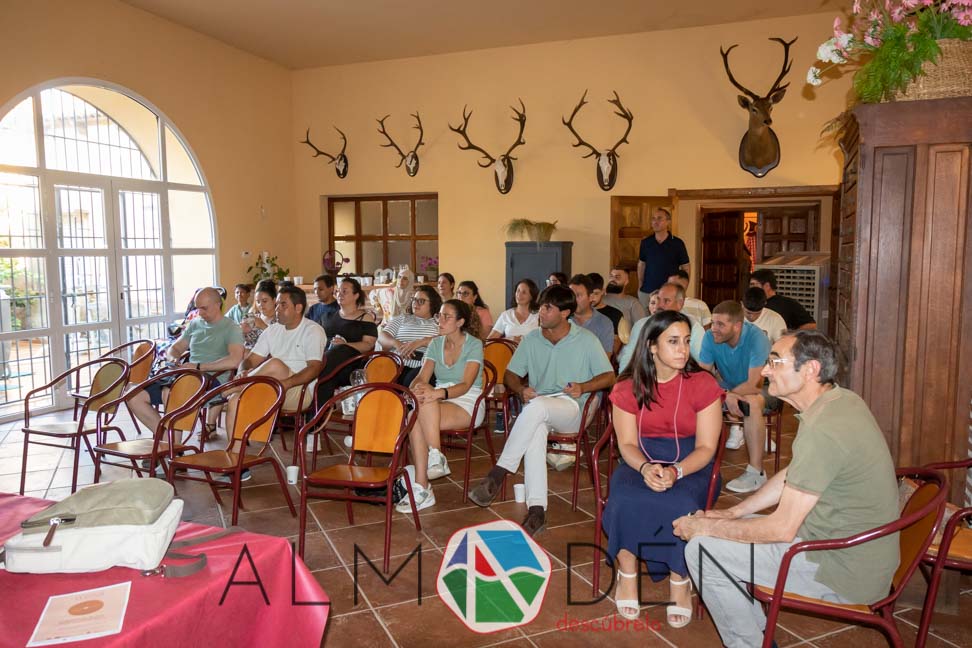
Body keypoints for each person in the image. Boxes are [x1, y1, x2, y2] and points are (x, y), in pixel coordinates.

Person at [675, 331, 899, 648]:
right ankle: (760, 639)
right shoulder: (840, 401)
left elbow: (781, 528)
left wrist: (707, 526)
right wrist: (734, 512)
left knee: (701, 549)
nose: (766, 371)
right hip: (847, 550)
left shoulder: (824, 429)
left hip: (840, 570)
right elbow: (794, 474)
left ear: (811, 370)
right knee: (716, 535)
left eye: (775, 362)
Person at [603, 310, 722, 627]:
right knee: (623, 499)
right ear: (652, 346)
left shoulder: (703, 384)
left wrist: (676, 472)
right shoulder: (628, 387)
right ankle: (627, 573)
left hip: (691, 463)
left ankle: (679, 580)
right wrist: (644, 468)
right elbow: (627, 443)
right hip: (639, 460)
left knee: (681, 504)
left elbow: (707, 448)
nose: (683, 349)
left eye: (686, 341)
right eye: (673, 342)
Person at [468, 285, 615, 535]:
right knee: (534, 428)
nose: (541, 313)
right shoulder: (533, 339)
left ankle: (498, 473)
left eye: (547, 308)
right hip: (540, 408)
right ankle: (537, 510)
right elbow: (511, 375)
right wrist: (520, 389)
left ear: (565, 312)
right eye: (541, 307)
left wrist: (584, 386)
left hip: (574, 408)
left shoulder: (586, 340)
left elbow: (610, 377)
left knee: (535, 410)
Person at [225, 286, 326, 479]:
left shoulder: (313, 330)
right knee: (234, 401)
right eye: (277, 304)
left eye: (282, 304)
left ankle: (232, 388)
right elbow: (251, 359)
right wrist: (242, 370)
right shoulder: (272, 330)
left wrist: (286, 384)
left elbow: (314, 368)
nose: (277, 309)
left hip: (297, 391)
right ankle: (236, 463)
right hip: (269, 386)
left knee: (276, 364)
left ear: (298, 308)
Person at [396, 299, 485, 513]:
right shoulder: (436, 344)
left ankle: (426, 478)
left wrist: (436, 393)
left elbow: (465, 385)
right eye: (440, 316)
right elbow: (422, 376)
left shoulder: (474, 344)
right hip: (440, 399)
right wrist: (417, 387)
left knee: (422, 405)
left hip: (467, 401)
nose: (440, 321)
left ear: (461, 322)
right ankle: (426, 477)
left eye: (447, 317)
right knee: (416, 409)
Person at [129, 287, 244, 439]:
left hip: (212, 381)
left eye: (204, 308)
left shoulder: (231, 328)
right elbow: (175, 347)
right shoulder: (195, 324)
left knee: (170, 392)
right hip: (186, 375)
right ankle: (165, 439)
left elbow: (234, 360)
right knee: (133, 395)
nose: (200, 313)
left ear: (217, 305)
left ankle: (171, 446)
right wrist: (173, 358)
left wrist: (199, 366)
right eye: (198, 308)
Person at [698, 301, 771, 493]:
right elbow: (702, 379)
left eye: (720, 325)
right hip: (729, 387)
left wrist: (729, 395)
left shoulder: (757, 338)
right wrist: (725, 395)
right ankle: (695, 463)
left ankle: (757, 473)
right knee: (695, 396)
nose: (714, 329)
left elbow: (755, 384)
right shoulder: (709, 337)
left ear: (737, 326)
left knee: (751, 402)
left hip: (765, 388)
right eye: (713, 323)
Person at [316, 277, 378, 404]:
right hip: (326, 360)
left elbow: (368, 344)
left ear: (356, 295)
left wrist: (346, 345)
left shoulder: (365, 318)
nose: (339, 294)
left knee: (339, 351)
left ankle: (316, 414)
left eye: (345, 291)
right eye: (338, 291)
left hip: (351, 365)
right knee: (326, 373)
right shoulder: (327, 316)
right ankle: (317, 413)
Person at [619, 282, 706, 371]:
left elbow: (702, 363)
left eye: (666, 301)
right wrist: (623, 380)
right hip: (646, 378)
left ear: (680, 304)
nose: (659, 305)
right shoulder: (641, 325)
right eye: (659, 299)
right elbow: (628, 357)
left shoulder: (693, 327)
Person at [378, 285, 442, 386]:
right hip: (395, 362)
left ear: (433, 304)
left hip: (421, 366)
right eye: (414, 299)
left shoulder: (437, 322)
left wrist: (422, 342)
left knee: (411, 381)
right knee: (376, 373)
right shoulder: (403, 318)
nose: (415, 303)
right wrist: (396, 343)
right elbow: (382, 336)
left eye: (421, 301)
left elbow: (446, 341)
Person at [638, 207, 690, 306]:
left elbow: (686, 267)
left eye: (659, 218)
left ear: (668, 222)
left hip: (670, 293)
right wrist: (640, 285)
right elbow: (641, 264)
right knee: (646, 321)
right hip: (647, 291)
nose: (655, 221)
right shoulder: (646, 242)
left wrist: (682, 289)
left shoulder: (677, 243)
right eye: (653, 219)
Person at [749, 269, 816, 330]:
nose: (751, 288)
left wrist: (791, 336)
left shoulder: (788, 304)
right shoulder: (749, 302)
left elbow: (811, 325)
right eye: (751, 285)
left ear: (767, 286)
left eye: (754, 284)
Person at [567, 274, 613, 355]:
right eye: (571, 295)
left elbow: (604, 360)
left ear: (591, 297)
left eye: (578, 295)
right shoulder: (562, 318)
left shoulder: (604, 323)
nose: (573, 300)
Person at [488, 278, 539, 343]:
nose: (519, 295)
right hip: (508, 353)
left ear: (532, 296)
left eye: (524, 292)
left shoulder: (539, 315)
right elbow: (489, 341)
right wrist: (508, 339)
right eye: (518, 291)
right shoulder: (506, 315)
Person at [588, 272, 624, 354]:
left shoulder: (615, 314)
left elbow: (614, 349)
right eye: (589, 294)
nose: (592, 298)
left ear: (603, 291)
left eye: (596, 293)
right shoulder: (578, 313)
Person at [241, 280, 277, 349]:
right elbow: (243, 341)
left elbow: (279, 344)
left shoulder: (280, 320)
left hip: (266, 357)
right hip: (246, 353)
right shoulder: (254, 316)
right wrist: (243, 332)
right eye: (258, 301)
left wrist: (263, 326)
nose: (260, 305)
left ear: (274, 300)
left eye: (264, 301)